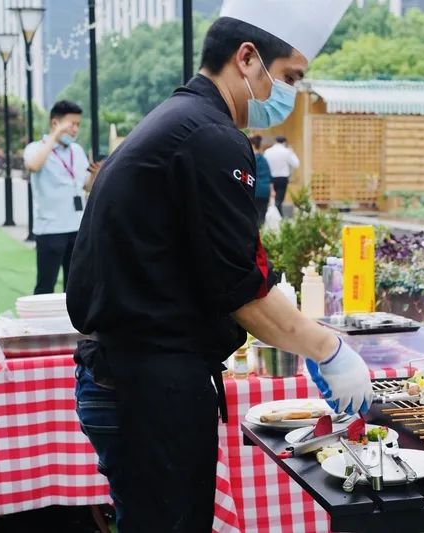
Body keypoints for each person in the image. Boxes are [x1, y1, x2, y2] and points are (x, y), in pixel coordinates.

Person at [65, 4, 367, 532]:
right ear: (247, 58)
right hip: (149, 384)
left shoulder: (178, 121)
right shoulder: (210, 136)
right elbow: (240, 290)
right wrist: (330, 349)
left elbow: (214, 265)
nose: (289, 92)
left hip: (128, 374)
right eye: (290, 76)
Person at [24, 100, 100, 294]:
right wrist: (55, 136)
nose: (75, 129)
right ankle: (38, 324)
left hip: (76, 227)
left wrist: (94, 175)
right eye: (71, 124)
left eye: (78, 125)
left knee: (74, 286)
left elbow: (85, 186)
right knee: (45, 285)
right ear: (55, 123)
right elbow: (33, 166)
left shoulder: (77, 151)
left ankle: (71, 324)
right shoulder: (36, 148)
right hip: (50, 229)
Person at [264, 135, 299, 214]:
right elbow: (296, 164)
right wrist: (292, 152)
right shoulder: (286, 151)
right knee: (279, 200)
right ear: (284, 142)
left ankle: (270, 217)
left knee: (270, 199)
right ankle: (279, 217)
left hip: (270, 178)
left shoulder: (268, 151)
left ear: (275, 141)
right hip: (282, 178)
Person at [250, 134, 272, 225]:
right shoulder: (264, 159)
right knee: (262, 217)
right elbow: (270, 177)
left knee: (253, 218)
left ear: (253, 145)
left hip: (255, 191)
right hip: (265, 191)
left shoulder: (251, 159)